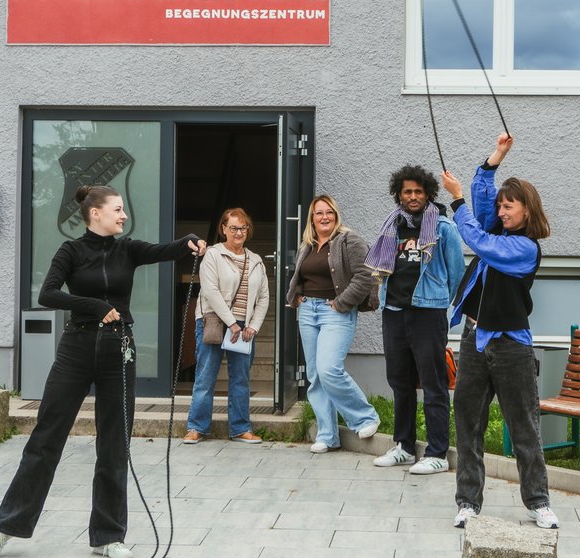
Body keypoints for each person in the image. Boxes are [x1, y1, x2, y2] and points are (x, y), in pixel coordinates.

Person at [0, 185, 206, 558]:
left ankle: (107, 535)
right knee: (46, 437)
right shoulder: (71, 250)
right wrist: (95, 305)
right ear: (95, 213)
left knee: (115, 444)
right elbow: (48, 294)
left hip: (120, 349)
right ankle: (6, 527)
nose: (124, 215)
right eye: (118, 209)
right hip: (76, 349)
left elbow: (167, 249)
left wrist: (190, 241)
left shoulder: (128, 249)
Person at [441, 133, 559, 530]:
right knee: (468, 424)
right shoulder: (499, 230)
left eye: (510, 207)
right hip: (474, 339)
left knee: (524, 425)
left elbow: (475, 237)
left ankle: (538, 503)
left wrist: (456, 202)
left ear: (528, 211)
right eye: (501, 207)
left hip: (511, 346)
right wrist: (497, 156)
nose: (502, 211)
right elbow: (481, 190)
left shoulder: (524, 249)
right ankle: (468, 503)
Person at [366, 165, 465, 473]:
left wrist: (438, 307)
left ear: (428, 194)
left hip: (427, 316)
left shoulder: (443, 229)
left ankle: (436, 452)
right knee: (401, 383)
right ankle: (404, 447)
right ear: (399, 193)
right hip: (393, 312)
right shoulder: (391, 226)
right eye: (407, 191)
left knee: (434, 384)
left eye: (418, 192)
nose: (412, 197)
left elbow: (457, 276)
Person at [287, 194, 380, 453]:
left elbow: (366, 275)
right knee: (316, 376)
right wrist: (296, 295)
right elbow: (302, 275)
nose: (324, 217)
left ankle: (365, 417)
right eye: (319, 213)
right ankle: (327, 435)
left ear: (336, 215)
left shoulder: (348, 240)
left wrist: (341, 302)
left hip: (335, 312)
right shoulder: (308, 244)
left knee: (329, 369)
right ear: (312, 219)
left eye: (329, 212)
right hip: (308, 311)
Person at [183, 207, 270, 444]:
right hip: (214, 321)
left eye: (243, 228)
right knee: (205, 376)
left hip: (244, 328)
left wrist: (253, 325)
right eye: (233, 228)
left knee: (240, 378)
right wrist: (231, 323)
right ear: (223, 229)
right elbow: (210, 291)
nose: (239, 232)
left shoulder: (256, 260)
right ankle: (196, 427)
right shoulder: (212, 255)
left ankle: (240, 429)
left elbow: (263, 297)